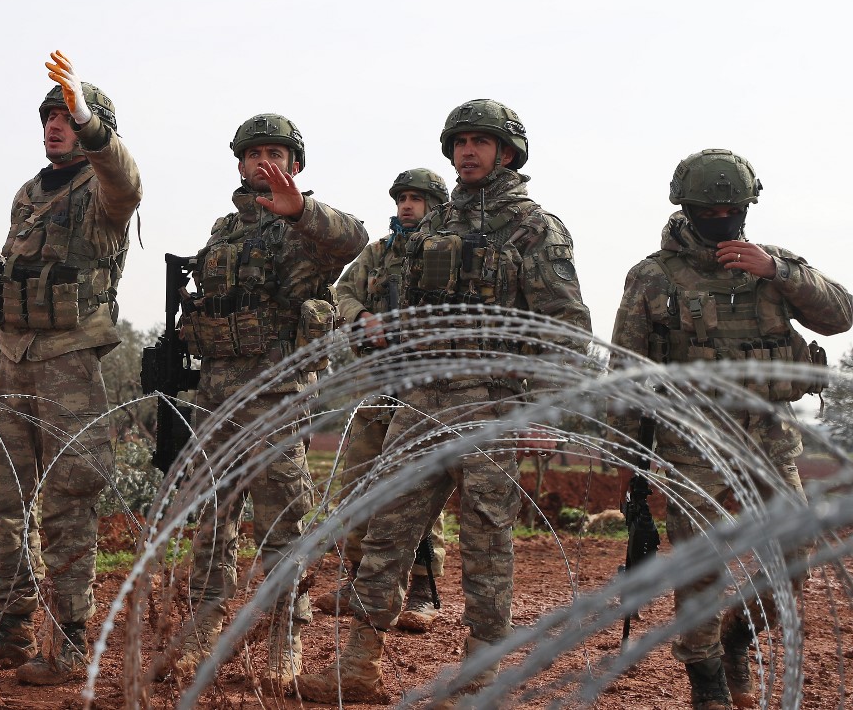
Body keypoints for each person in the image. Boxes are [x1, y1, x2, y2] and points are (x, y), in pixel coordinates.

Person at [297, 99, 592, 703]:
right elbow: (390, 299)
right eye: (459, 141)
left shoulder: (536, 229)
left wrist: (549, 410)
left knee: (487, 540)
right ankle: (357, 663)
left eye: (481, 142)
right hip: (422, 400)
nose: (468, 150)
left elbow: (567, 325)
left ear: (507, 152)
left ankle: (482, 671)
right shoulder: (431, 228)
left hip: (495, 404)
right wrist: (368, 323)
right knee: (388, 527)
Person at [608, 149, 852, 710]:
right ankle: (706, 677)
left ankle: (736, 638)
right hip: (691, 447)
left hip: (767, 441)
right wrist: (629, 460)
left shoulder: (773, 265)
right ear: (687, 208)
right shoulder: (652, 277)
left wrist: (778, 272)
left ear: (746, 207)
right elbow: (623, 372)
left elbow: (841, 315)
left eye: (732, 208)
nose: (722, 217)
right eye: (709, 209)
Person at [0, 51, 142, 685]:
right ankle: (11, 626)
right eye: (50, 116)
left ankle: (71, 638)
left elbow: (128, 181)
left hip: (68, 366)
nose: (55, 125)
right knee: (9, 498)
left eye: (67, 117)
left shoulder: (104, 192)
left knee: (67, 501)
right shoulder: (29, 194)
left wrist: (90, 118)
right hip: (13, 362)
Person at [169, 113, 368, 693]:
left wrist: (300, 209)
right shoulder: (223, 230)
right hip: (217, 392)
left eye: (275, 153)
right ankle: (205, 621)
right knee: (213, 513)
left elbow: (354, 238)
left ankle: (286, 632)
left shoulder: (309, 230)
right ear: (238, 163)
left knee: (282, 515)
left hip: (279, 392)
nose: (263, 162)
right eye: (253, 153)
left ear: (296, 165)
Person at [316, 168, 450, 632]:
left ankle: (421, 590)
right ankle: (358, 581)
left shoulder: (446, 251)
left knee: (416, 493)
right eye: (403, 198)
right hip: (376, 386)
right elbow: (342, 294)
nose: (408, 206)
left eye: (418, 199)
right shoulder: (378, 253)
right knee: (356, 483)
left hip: (425, 388)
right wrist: (364, 318)